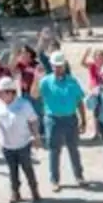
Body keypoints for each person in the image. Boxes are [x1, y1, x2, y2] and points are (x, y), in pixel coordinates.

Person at [38, 51, 87, 190]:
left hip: (70, 118)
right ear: (52, 66)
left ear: (64, 66)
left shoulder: (72, 81)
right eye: (55, 66)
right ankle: (55, 180)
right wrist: (37, 79)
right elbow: (34, 94)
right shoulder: (46, 81)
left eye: (60, 66)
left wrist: (83, 120)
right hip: (53, 119)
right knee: (54, 150)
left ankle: (79, 176)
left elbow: (79, 101)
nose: (58, 69)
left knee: (74, 149)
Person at [0, 77, 42, 203]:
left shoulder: (23, 104)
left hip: (23, 143)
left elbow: (33, 120)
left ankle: (34, 191)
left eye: (1, 92)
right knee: (12, 171)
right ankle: (15, 193)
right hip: (6, 145)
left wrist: (36, 136)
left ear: (10, 92)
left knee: (28, 169)